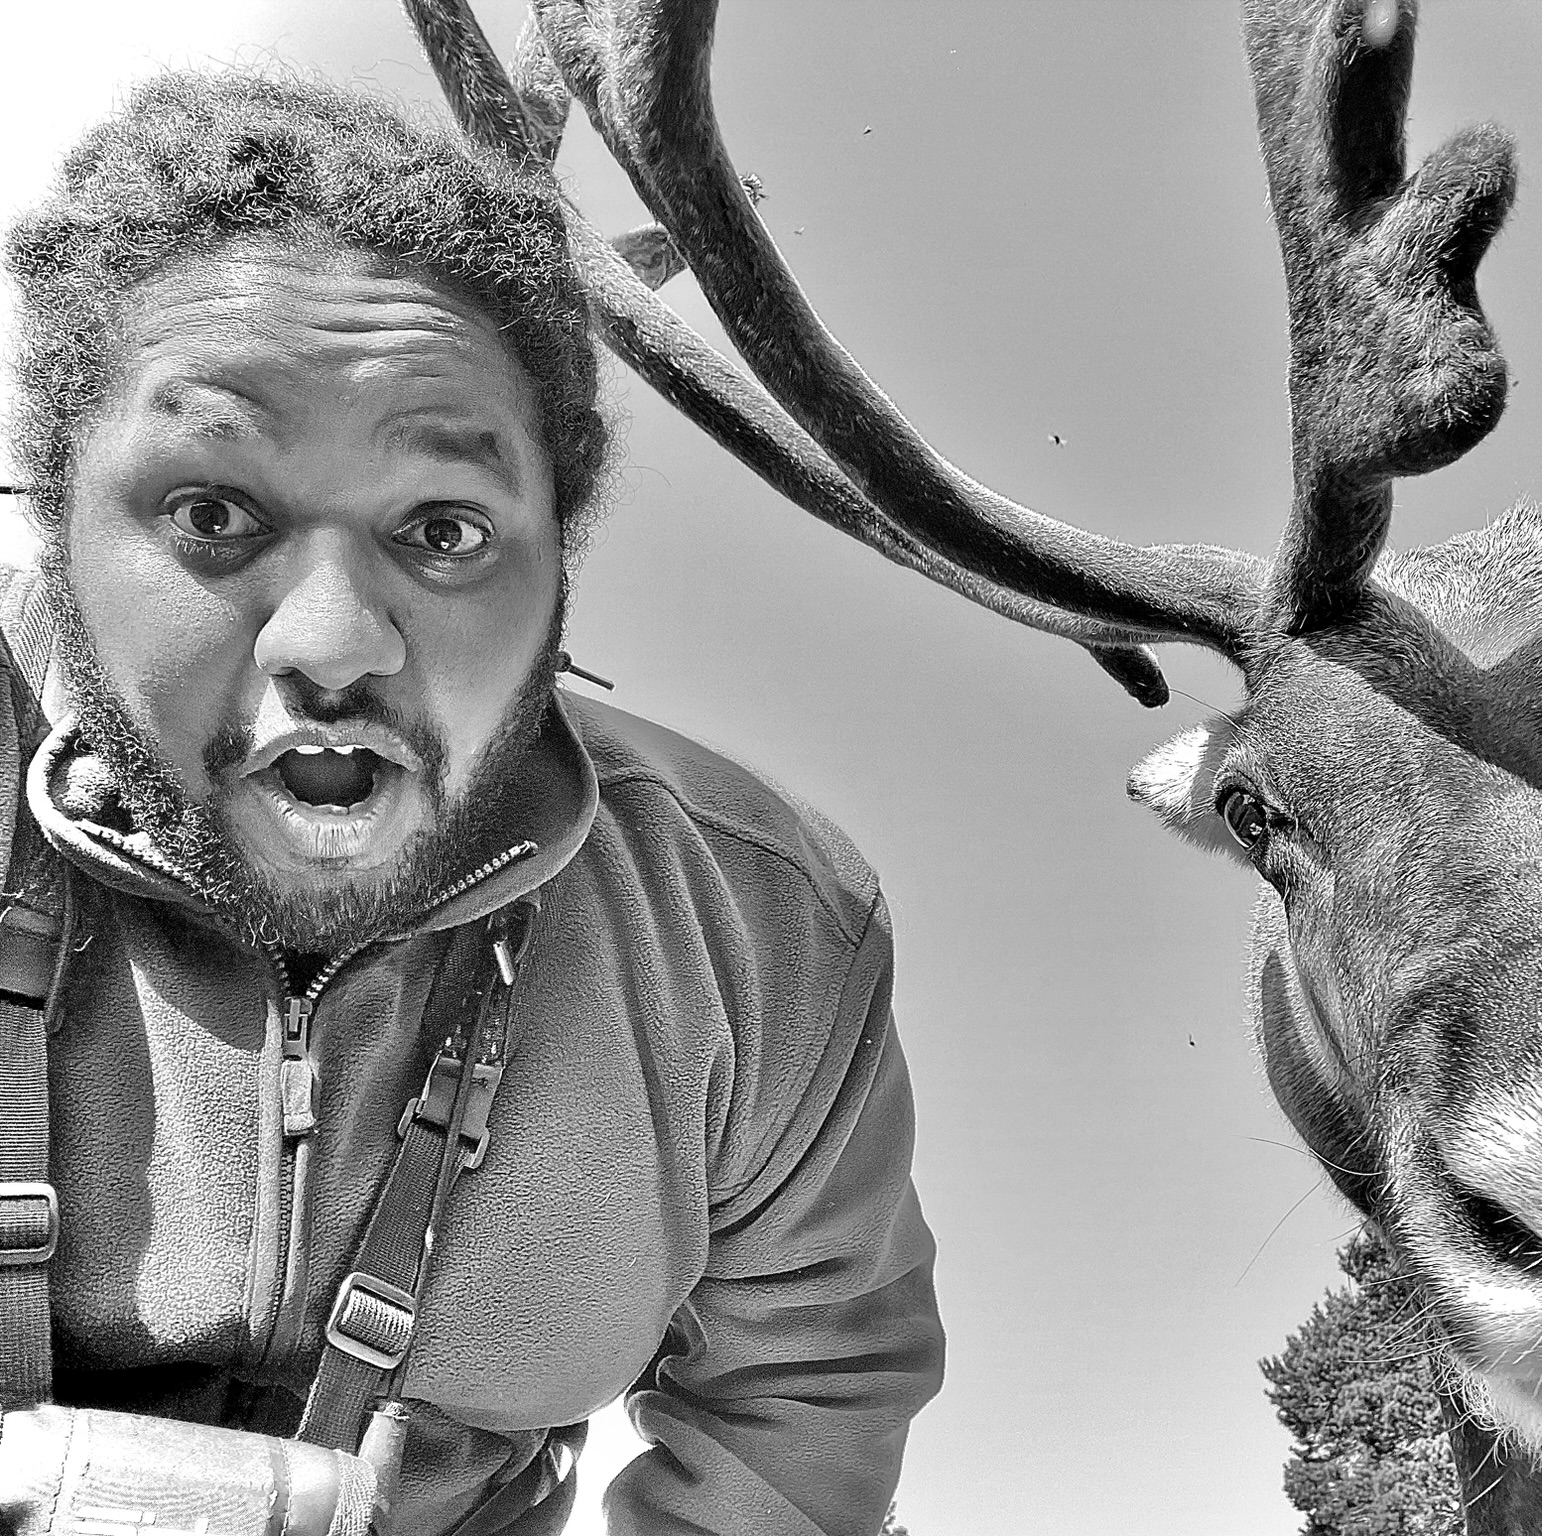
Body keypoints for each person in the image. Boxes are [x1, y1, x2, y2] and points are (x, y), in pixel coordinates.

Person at [0, 68, 943, 1535]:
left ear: (560, 568)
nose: (332, 642)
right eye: (210, 512)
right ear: (51, 517)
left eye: (441, 529)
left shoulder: (765, 933)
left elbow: (810, 1398)